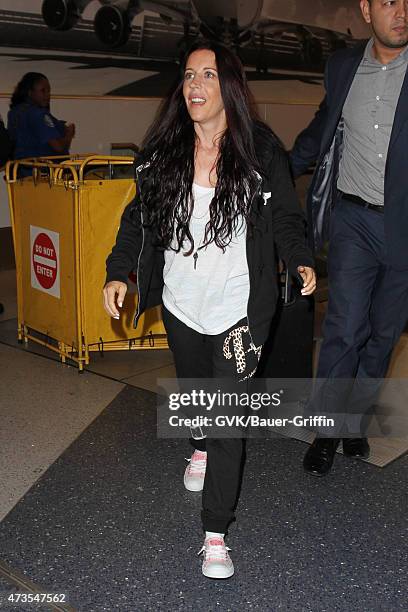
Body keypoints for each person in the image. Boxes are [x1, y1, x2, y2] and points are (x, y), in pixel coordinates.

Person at [103, 40, 315, 579]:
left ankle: (214, 532)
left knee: (228, 424)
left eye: (209, 75)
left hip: (240, 313)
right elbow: (136, 221)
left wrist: (299, 260)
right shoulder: (162, 152)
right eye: (190, 75)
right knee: (196, 396)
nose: (196, 85)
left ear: (230, 87)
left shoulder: (260, 153)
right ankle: (196, 444)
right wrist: (118, 271)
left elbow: (288, 219)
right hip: (181, 306)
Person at [291, 0, 408, 476]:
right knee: (343, 327)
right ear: (365, 10)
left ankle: (353, 420)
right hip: (353, 219)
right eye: (387, 2)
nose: (400, 11)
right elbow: (322, 127)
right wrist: (279, 167)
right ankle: (326, 428)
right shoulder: (342, 67)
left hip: (404, 227)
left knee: (382, 337)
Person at [7, 72, 75, 172]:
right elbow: (58, 147)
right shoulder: (39, 114)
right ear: (30, 92)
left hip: (21, 171)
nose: (47, 95)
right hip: (44, 174)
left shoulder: (14, 113)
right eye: (43, 91)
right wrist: (69, 134)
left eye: (48, 91)